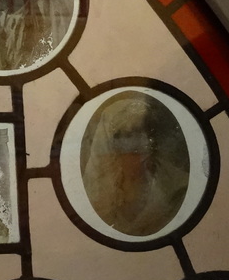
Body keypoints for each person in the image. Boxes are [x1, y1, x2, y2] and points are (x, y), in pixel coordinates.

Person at [81, 92, 189, 237]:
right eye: (128, 134)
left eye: (146, 131)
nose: (142, 142)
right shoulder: (98, 189)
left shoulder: (177, 186)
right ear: (111, 143)